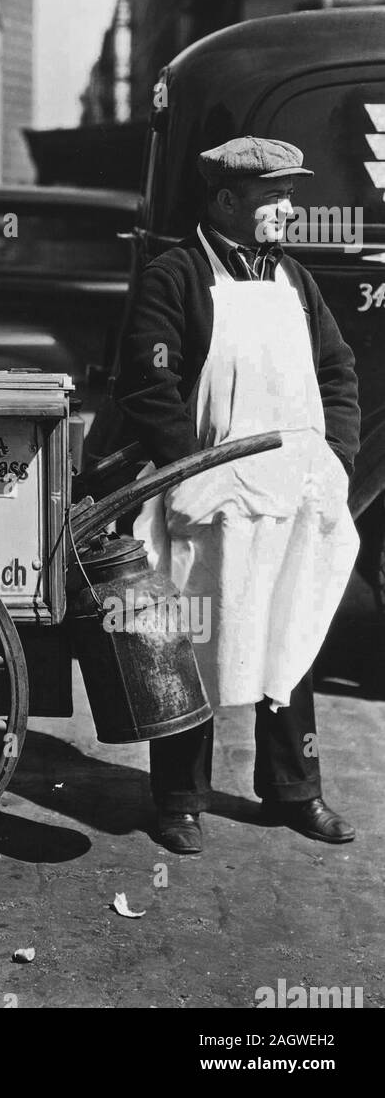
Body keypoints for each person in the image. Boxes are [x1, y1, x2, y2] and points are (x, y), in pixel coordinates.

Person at [113, 136, 360, 855]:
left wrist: (335, 455)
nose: (288, 211)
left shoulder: (295, 283)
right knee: (189, 643)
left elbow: (337, 371)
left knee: (292, 635)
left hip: (287, 498)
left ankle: (294, 791)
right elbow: (147, 385)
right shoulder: (175, 276)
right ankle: (179, 800)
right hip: (207, 501)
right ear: (226, 201)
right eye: (273, 198)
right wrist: (193, 469)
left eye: (290, 196)